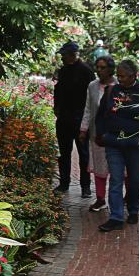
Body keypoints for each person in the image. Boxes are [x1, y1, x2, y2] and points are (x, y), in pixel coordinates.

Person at [95, 59, 139, 232]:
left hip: (137, 145)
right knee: (115, 180)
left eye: (123, 76)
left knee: (134, 180)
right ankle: (116, 217)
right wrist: (102, 134)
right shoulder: (111, 91)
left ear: (134, 75)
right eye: (118, 76)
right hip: (114, 143)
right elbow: (101, 116)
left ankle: (133, 210)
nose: (120, 80)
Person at [52, 41, 94, 196]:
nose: (62, 58)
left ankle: (85, 186)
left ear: (73, 55)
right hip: (64, 118)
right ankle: (64, 184)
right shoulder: (62, 71)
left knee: (83, 154)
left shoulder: (86, 71)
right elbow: (58, 91)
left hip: (80, 117)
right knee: (64, 153)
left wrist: (88, 120)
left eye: (64, 55)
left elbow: (92, 96)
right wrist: (57, 109)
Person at [79, 55, 117, 212]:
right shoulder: (92, 86)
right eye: (98, 67)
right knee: (99, 167)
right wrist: (83, 129)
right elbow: (88, 109)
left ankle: (122, 199)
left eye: (103, 68)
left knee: (118, 169)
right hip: (98, 134)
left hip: (116, 134)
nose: (99, 71)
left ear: (110, 69)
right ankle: (100, 199)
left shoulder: (119, 84)